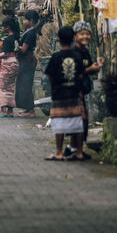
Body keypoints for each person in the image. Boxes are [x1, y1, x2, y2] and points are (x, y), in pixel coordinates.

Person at [44, 25, 85, 161]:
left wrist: (55, 87)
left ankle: (59, 152)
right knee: (77, 122)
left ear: (58, 39)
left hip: (59, 93)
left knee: (59, 122)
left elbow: (50, 75)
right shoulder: (77, 56)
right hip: (74, 92)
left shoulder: (56, 57)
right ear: (73, 38)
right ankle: (79, 152)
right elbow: (80, 75)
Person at [65, 20, 103, 154]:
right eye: (82, 34)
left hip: (81, 90)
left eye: (87, 34)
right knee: (80, 121)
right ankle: (76, 151)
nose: (85, 36)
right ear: (75, 36)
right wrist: (89, 70)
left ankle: (73, 148)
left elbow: (88, 69)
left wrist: (96, 68)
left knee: (81, 121)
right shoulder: (73, 51)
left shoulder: (85, 51)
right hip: (73, 91)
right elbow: (73, 73)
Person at [15, 8, 41, 117]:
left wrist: (16, 47)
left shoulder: (31, 33)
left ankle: (31, 110)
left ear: (31, 20)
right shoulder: (29, 31)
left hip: (27, 61)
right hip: (25, 61)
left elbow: (24, 49)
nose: (23, 21)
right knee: (22, 84)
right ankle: (26, 108)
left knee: (26, 84)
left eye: (25, 20)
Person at [0, 28, 19, 117]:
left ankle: (3, 110)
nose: (3, 28)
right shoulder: (16, 38)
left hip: (8, 63)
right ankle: (10, 110)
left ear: (8, 27)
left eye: (4, 26)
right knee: (10, 87)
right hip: (15, 62)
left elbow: (6, 54)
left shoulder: (8, 39)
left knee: (1, 87)